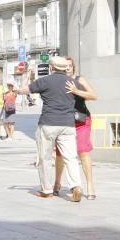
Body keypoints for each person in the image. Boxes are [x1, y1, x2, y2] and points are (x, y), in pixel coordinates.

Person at [18, 56, 83, 203]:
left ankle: (47, 190)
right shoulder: (72, 82)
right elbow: (87, 95)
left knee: (45, 158)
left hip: (48, 123)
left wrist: (28, 75)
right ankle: (76, 186)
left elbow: (22, 90)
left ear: (51, 68)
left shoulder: (45, 81)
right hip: (68, 124)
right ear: (65, 68)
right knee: (71, 157)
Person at [53, 56, 98, 199]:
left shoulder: (79, 80)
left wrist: (75, 90)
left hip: (81, 121)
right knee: (60, 153)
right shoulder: (57, 81)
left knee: (83, 151)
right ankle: (57, 183)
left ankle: (90, 185)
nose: (67, 68)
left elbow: (93, 96)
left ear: (73, 68)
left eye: (70, 66)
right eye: (65, 66)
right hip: (64, 121)